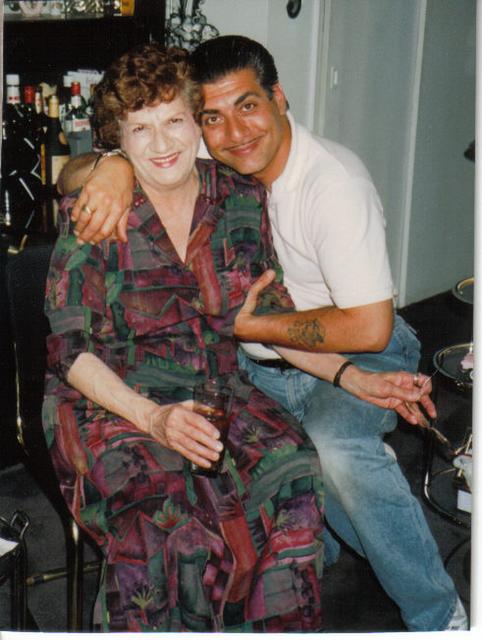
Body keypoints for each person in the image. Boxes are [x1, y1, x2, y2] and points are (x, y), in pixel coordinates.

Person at [55, 36, 465, 632]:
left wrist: (351, 376)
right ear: (119, 137)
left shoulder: (243, 196)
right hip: (115, 397)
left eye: (175, 121)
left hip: (236, 374)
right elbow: (70, 350)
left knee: (297, 468)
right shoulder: (100, 206)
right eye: (141, 129)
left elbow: (270, 317)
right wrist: (155, 419)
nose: (163, 142)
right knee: (167, 515)